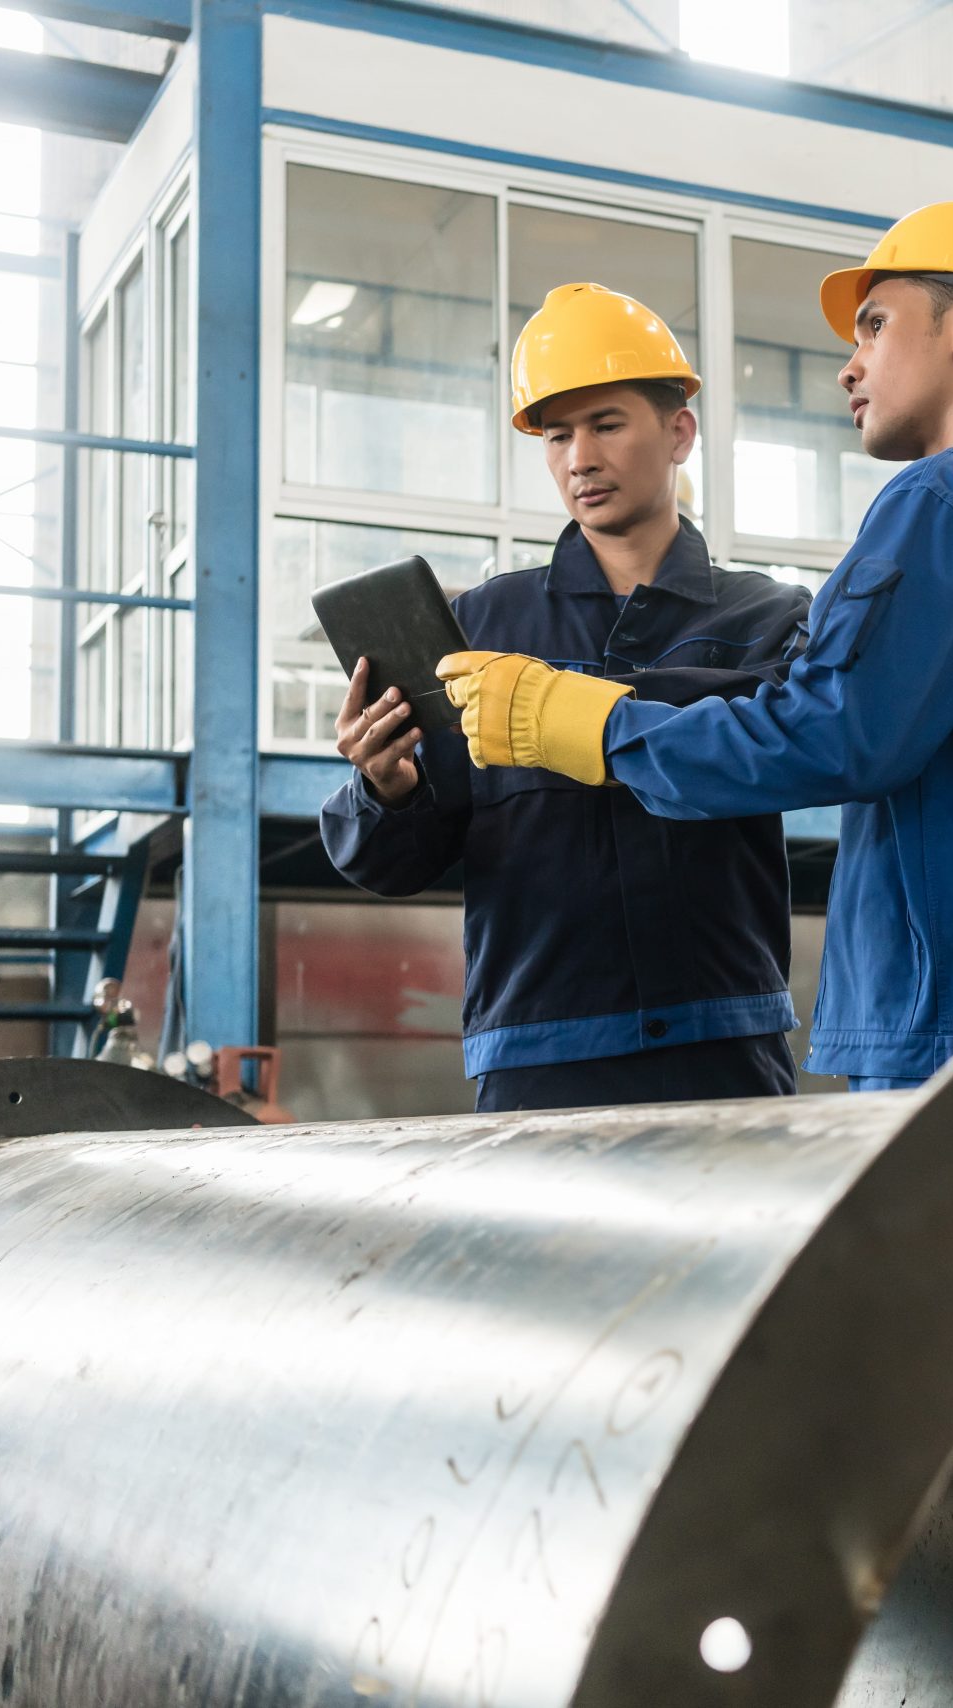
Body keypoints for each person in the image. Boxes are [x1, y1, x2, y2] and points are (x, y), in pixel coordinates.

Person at [441, 201, 953, 1091]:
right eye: (556, 435)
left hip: (949, 1038)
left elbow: (832, 731)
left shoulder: (945, 499)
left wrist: (589, 722)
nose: (849, 366)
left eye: (874, 325)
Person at [323, 284, 811, 1112]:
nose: (579, 458)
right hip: (539, 1057)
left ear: (679, 431)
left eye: (607, 424)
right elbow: (391, 863)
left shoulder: (767, 618)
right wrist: (387, 789)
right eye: (556, 436)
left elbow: (788, 761)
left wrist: (578, 703)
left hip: (721, 1047)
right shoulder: (478, 627)